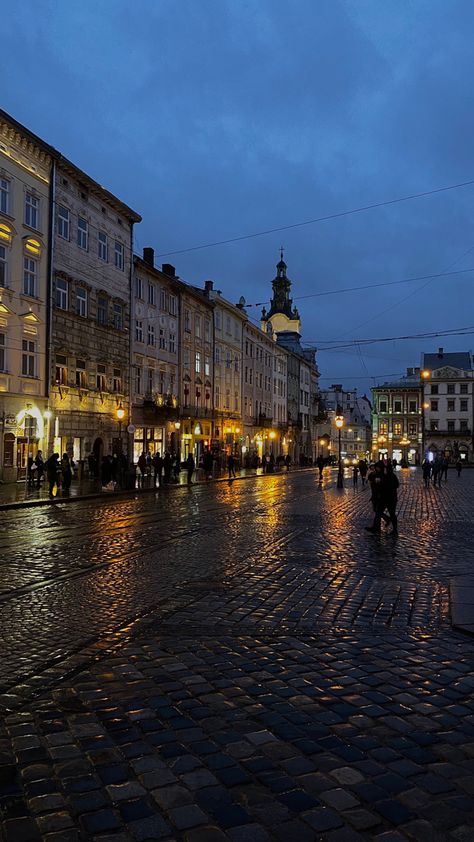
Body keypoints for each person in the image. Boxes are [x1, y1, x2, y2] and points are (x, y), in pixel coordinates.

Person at [366, 462, 399, 535]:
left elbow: (396, 484)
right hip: (383, 498)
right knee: (378, 512)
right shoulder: (378, 474)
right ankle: (375, 528)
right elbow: (371, 479)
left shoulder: (390, 475)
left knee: (392, 513)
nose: (376, 469)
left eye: (377, 467)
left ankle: (395, 530)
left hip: (390, 498)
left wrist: (382, 485)